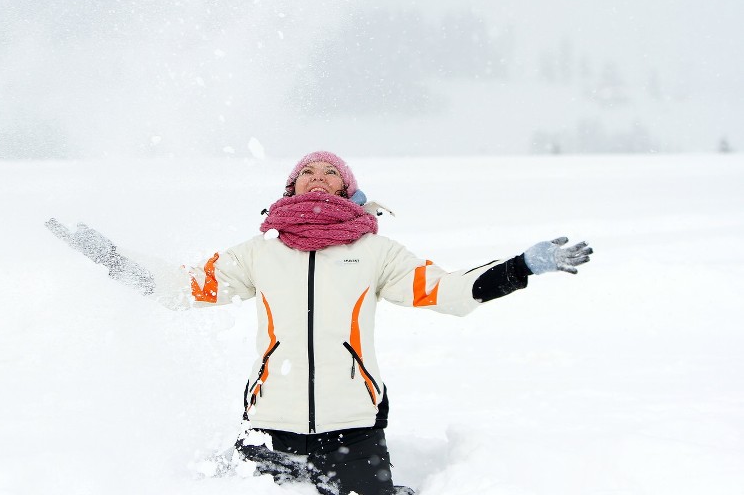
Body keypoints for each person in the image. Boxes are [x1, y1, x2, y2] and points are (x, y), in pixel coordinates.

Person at [46, 151, 592, 495]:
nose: (316, 176)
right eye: (305, 170)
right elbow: (187, 287)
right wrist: (113, 259)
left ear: (345, 189)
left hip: (353, 428)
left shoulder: (376, 252)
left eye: (329, 171)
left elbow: (449, 292)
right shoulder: (259, 253)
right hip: (269, 423)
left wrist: (520, 267)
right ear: (290, 188)